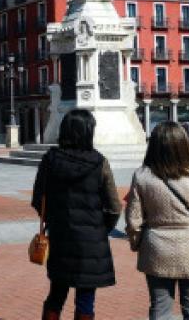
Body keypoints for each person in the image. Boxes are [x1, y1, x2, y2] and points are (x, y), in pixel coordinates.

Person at [126, 122, 189, 320]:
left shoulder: (142, 176)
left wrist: (137, 243)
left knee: (160, 309)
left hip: (157, 246)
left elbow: (133, 219)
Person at [32, 109, 121, 320]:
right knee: (86, 299)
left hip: (61, 236)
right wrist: (101, 228)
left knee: (56, 294)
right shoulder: (99, 162)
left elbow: (38, 200)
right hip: (91, 242)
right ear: (89, 132)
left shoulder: (50, 159)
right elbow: (114, 206)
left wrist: (54, 220)